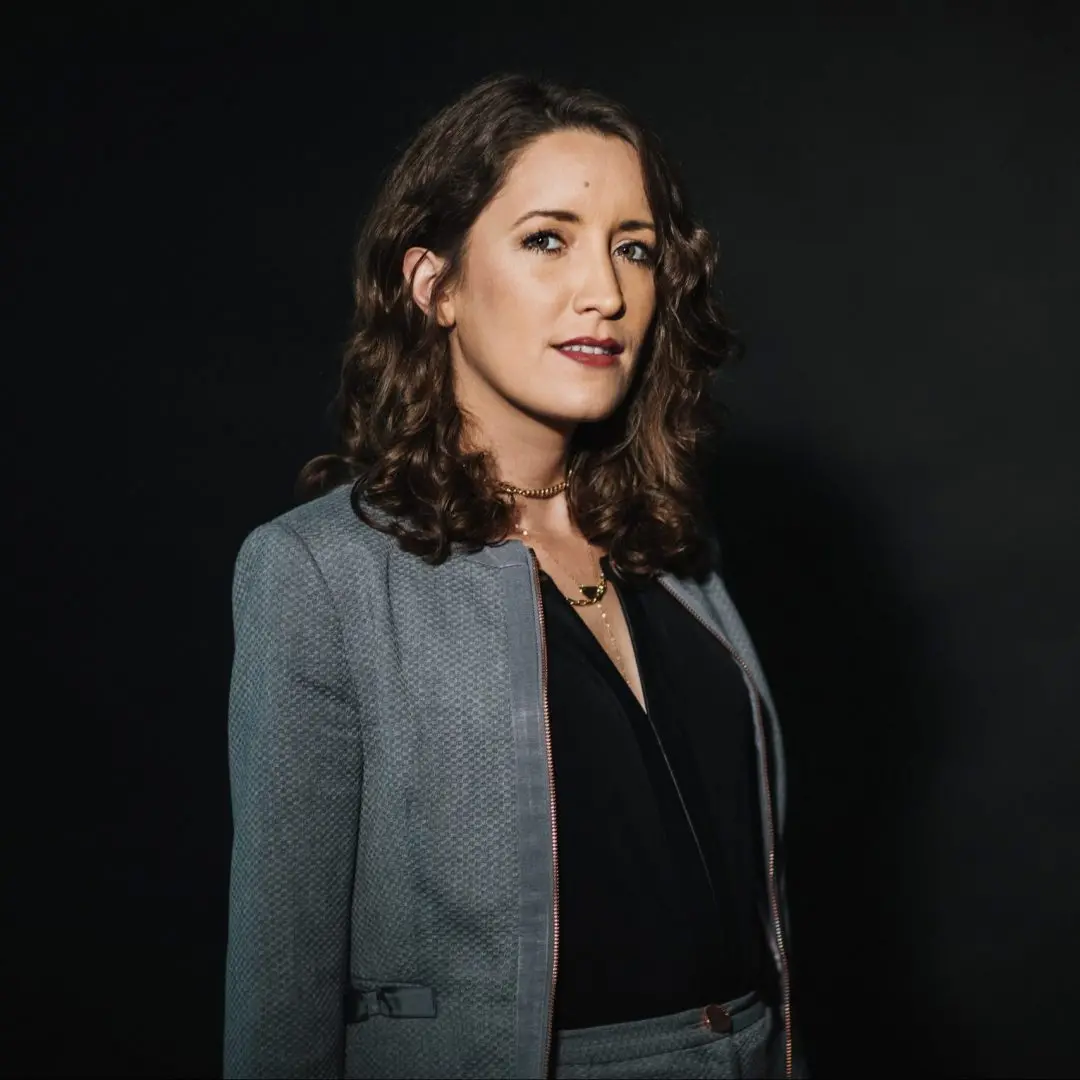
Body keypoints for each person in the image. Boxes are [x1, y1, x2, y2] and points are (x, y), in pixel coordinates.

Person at [224, 72, 802, 1079]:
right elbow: (282, 981)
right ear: (434, 284)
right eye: (548, 238)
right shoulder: (320, 571)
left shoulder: (673, 554)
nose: (607, 292)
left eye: (634, 248)